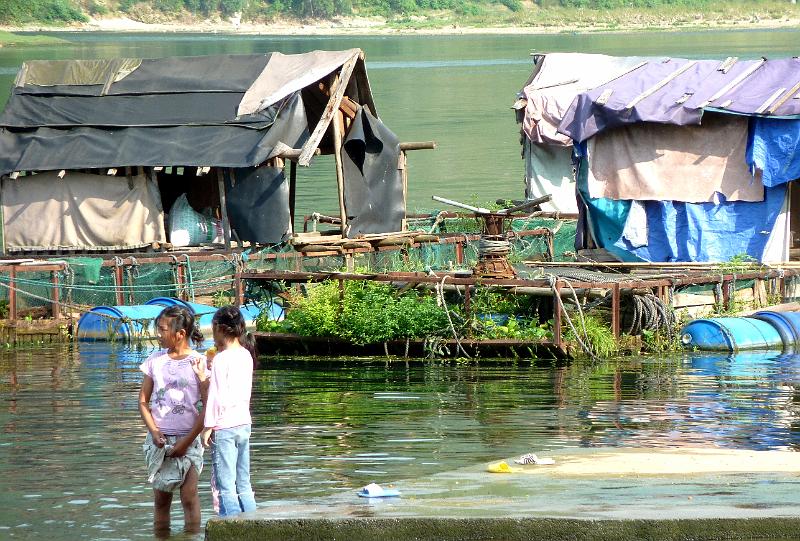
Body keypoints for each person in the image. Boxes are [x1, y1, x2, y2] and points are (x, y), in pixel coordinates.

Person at [138, 306, 207, 534]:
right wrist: (154, 431)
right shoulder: (154, 360)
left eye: (162, 329)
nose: (158, 334)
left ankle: (193, 537)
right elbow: (143, 401)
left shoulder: (198, 362)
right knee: (161, 500)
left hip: (189, 439)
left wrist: (186, 442)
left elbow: (208, 407)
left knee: (189, 497)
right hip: (160, 441)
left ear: (181, 334)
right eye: (157, 329)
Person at [199, 305, 258, 517]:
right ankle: (254, 524)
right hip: (244, 423)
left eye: (213, 329)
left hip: (225, 427)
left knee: (225, 487)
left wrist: (208, 427)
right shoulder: (246, 355)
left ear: (221, 329)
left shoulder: (221, 359)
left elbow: (216, 396)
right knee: (244, 482)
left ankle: (232, 530)